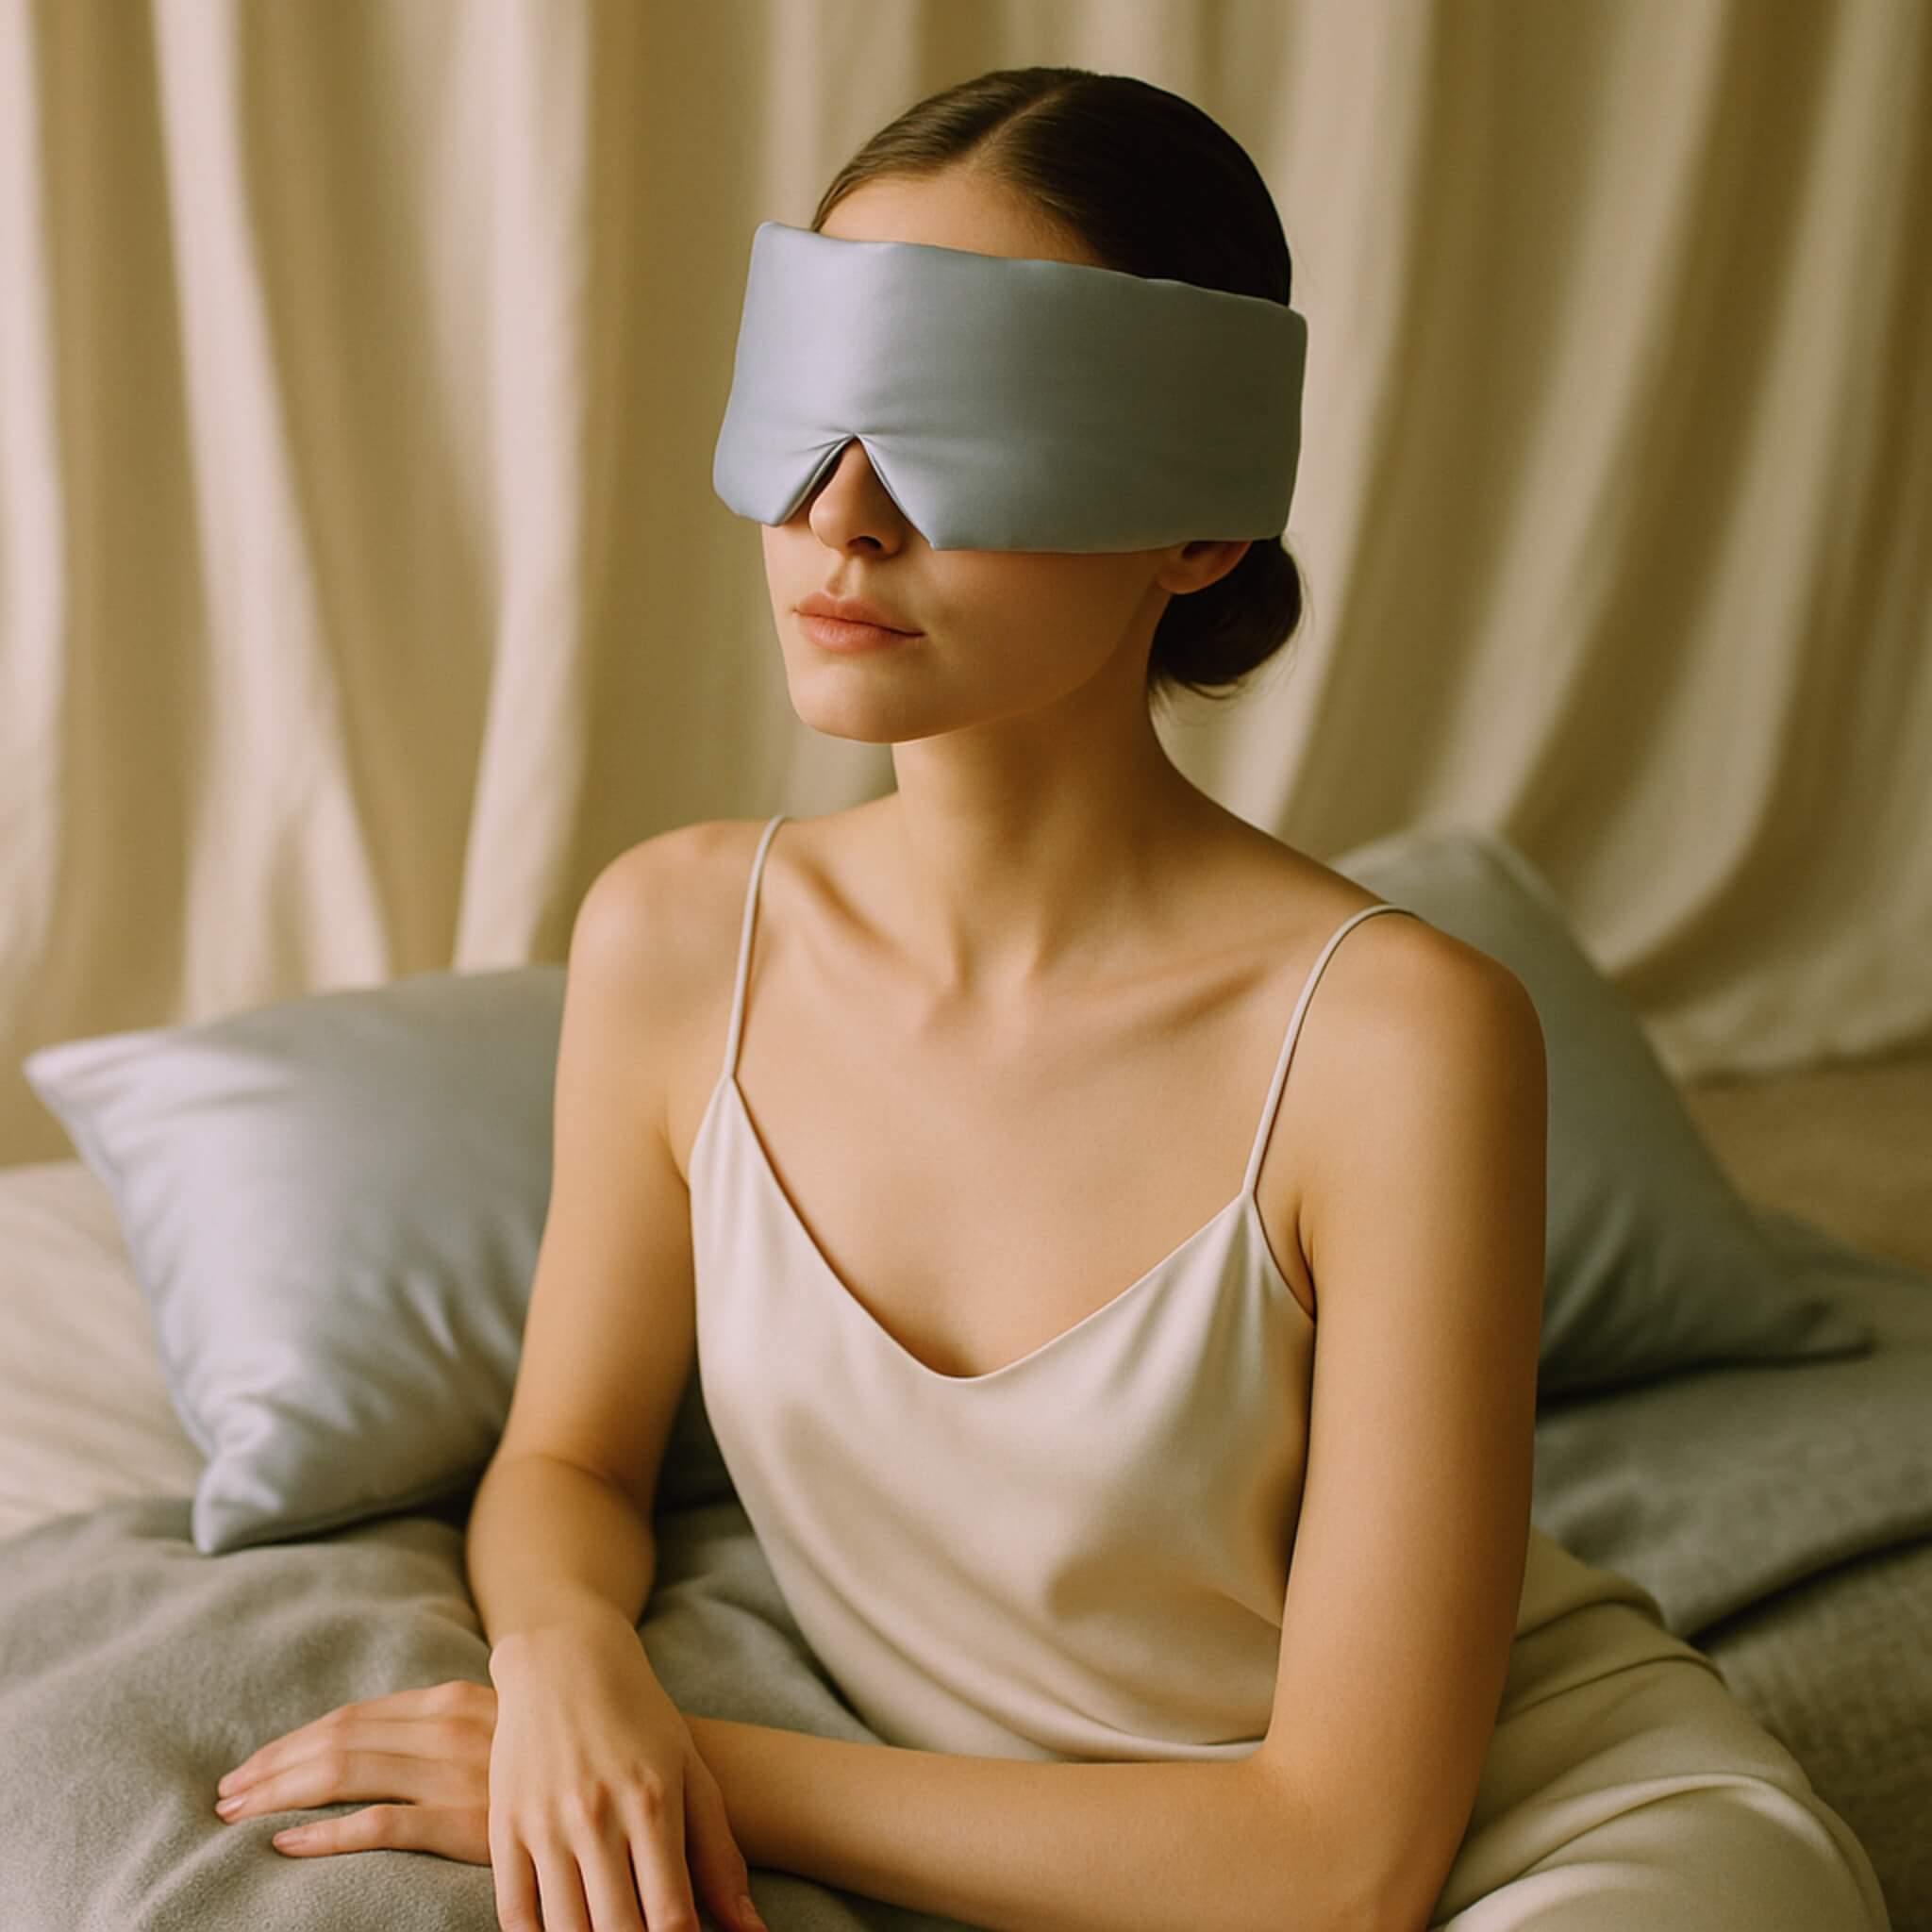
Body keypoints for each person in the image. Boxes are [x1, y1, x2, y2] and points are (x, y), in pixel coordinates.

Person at [213, 65, 1892, 1932]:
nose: (842, 519)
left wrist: (698, 1761)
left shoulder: (1398, 1039)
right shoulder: (675, 940)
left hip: (1538, 1856)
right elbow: (566, 1461)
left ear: (1198, 522)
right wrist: (565, 1661)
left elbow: (1342, 1864)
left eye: (960, 426)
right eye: (810, 416)